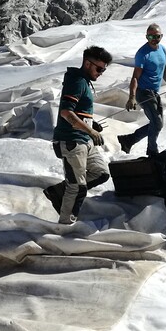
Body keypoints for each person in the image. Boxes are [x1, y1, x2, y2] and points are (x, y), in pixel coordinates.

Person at [43, 46, 113, 224]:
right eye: (99, 68)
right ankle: (66, 225)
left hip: (83, 140)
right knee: (77, 187)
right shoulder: (77, 81)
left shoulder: (83, 81)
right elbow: (66, 112)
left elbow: (77, 112)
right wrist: (90, 130)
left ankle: (58, 193)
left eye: (103, 70)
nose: (101, 73)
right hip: (72, 140)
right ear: (87, 63)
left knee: (101, 173)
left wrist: (90, 124)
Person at [117, 24, 166, 157]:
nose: (154, 39)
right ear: (146, 37)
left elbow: (164, 70)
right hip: (144, 92)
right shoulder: (142, 54)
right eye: (151, 36)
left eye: (157, 36)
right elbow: (135, 77)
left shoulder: (162, 50)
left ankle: (128, 140)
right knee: (157, 123)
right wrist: (132, 97)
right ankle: (152, 151)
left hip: (154, 92)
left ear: (161, 36)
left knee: (157, 124)